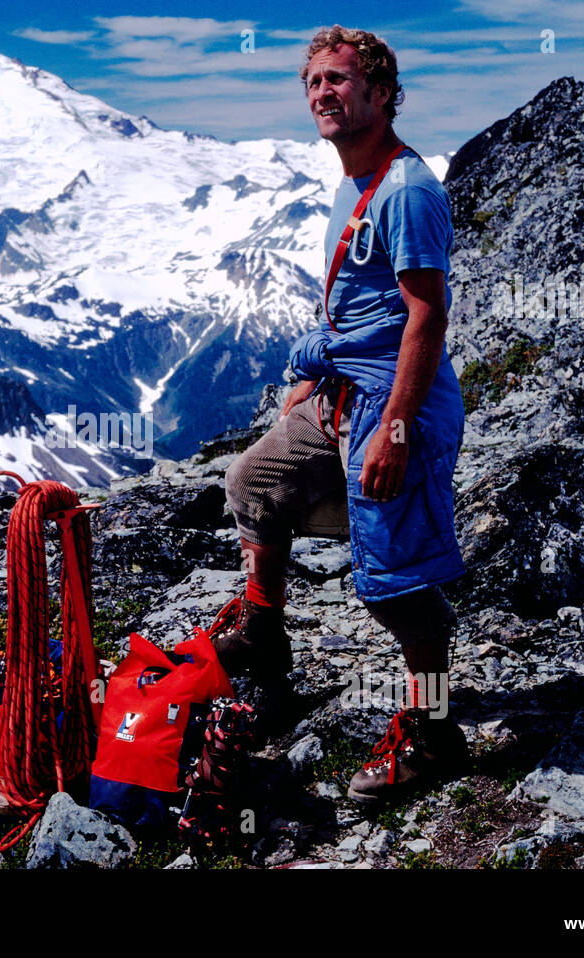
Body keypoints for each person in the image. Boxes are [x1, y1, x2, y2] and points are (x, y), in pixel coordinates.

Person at [214, 24, 469, 804]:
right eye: (313, 82)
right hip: (341, 391)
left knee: (390, 583)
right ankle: (266, 644)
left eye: (340, 80)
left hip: (395, 403)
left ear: (383, 94)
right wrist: (312, 372)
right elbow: (359, 312)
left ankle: (434, 732)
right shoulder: (353, 183)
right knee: (252, 484)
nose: (323, 93)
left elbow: (425, 319)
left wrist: (393, 431)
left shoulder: (407, 191)